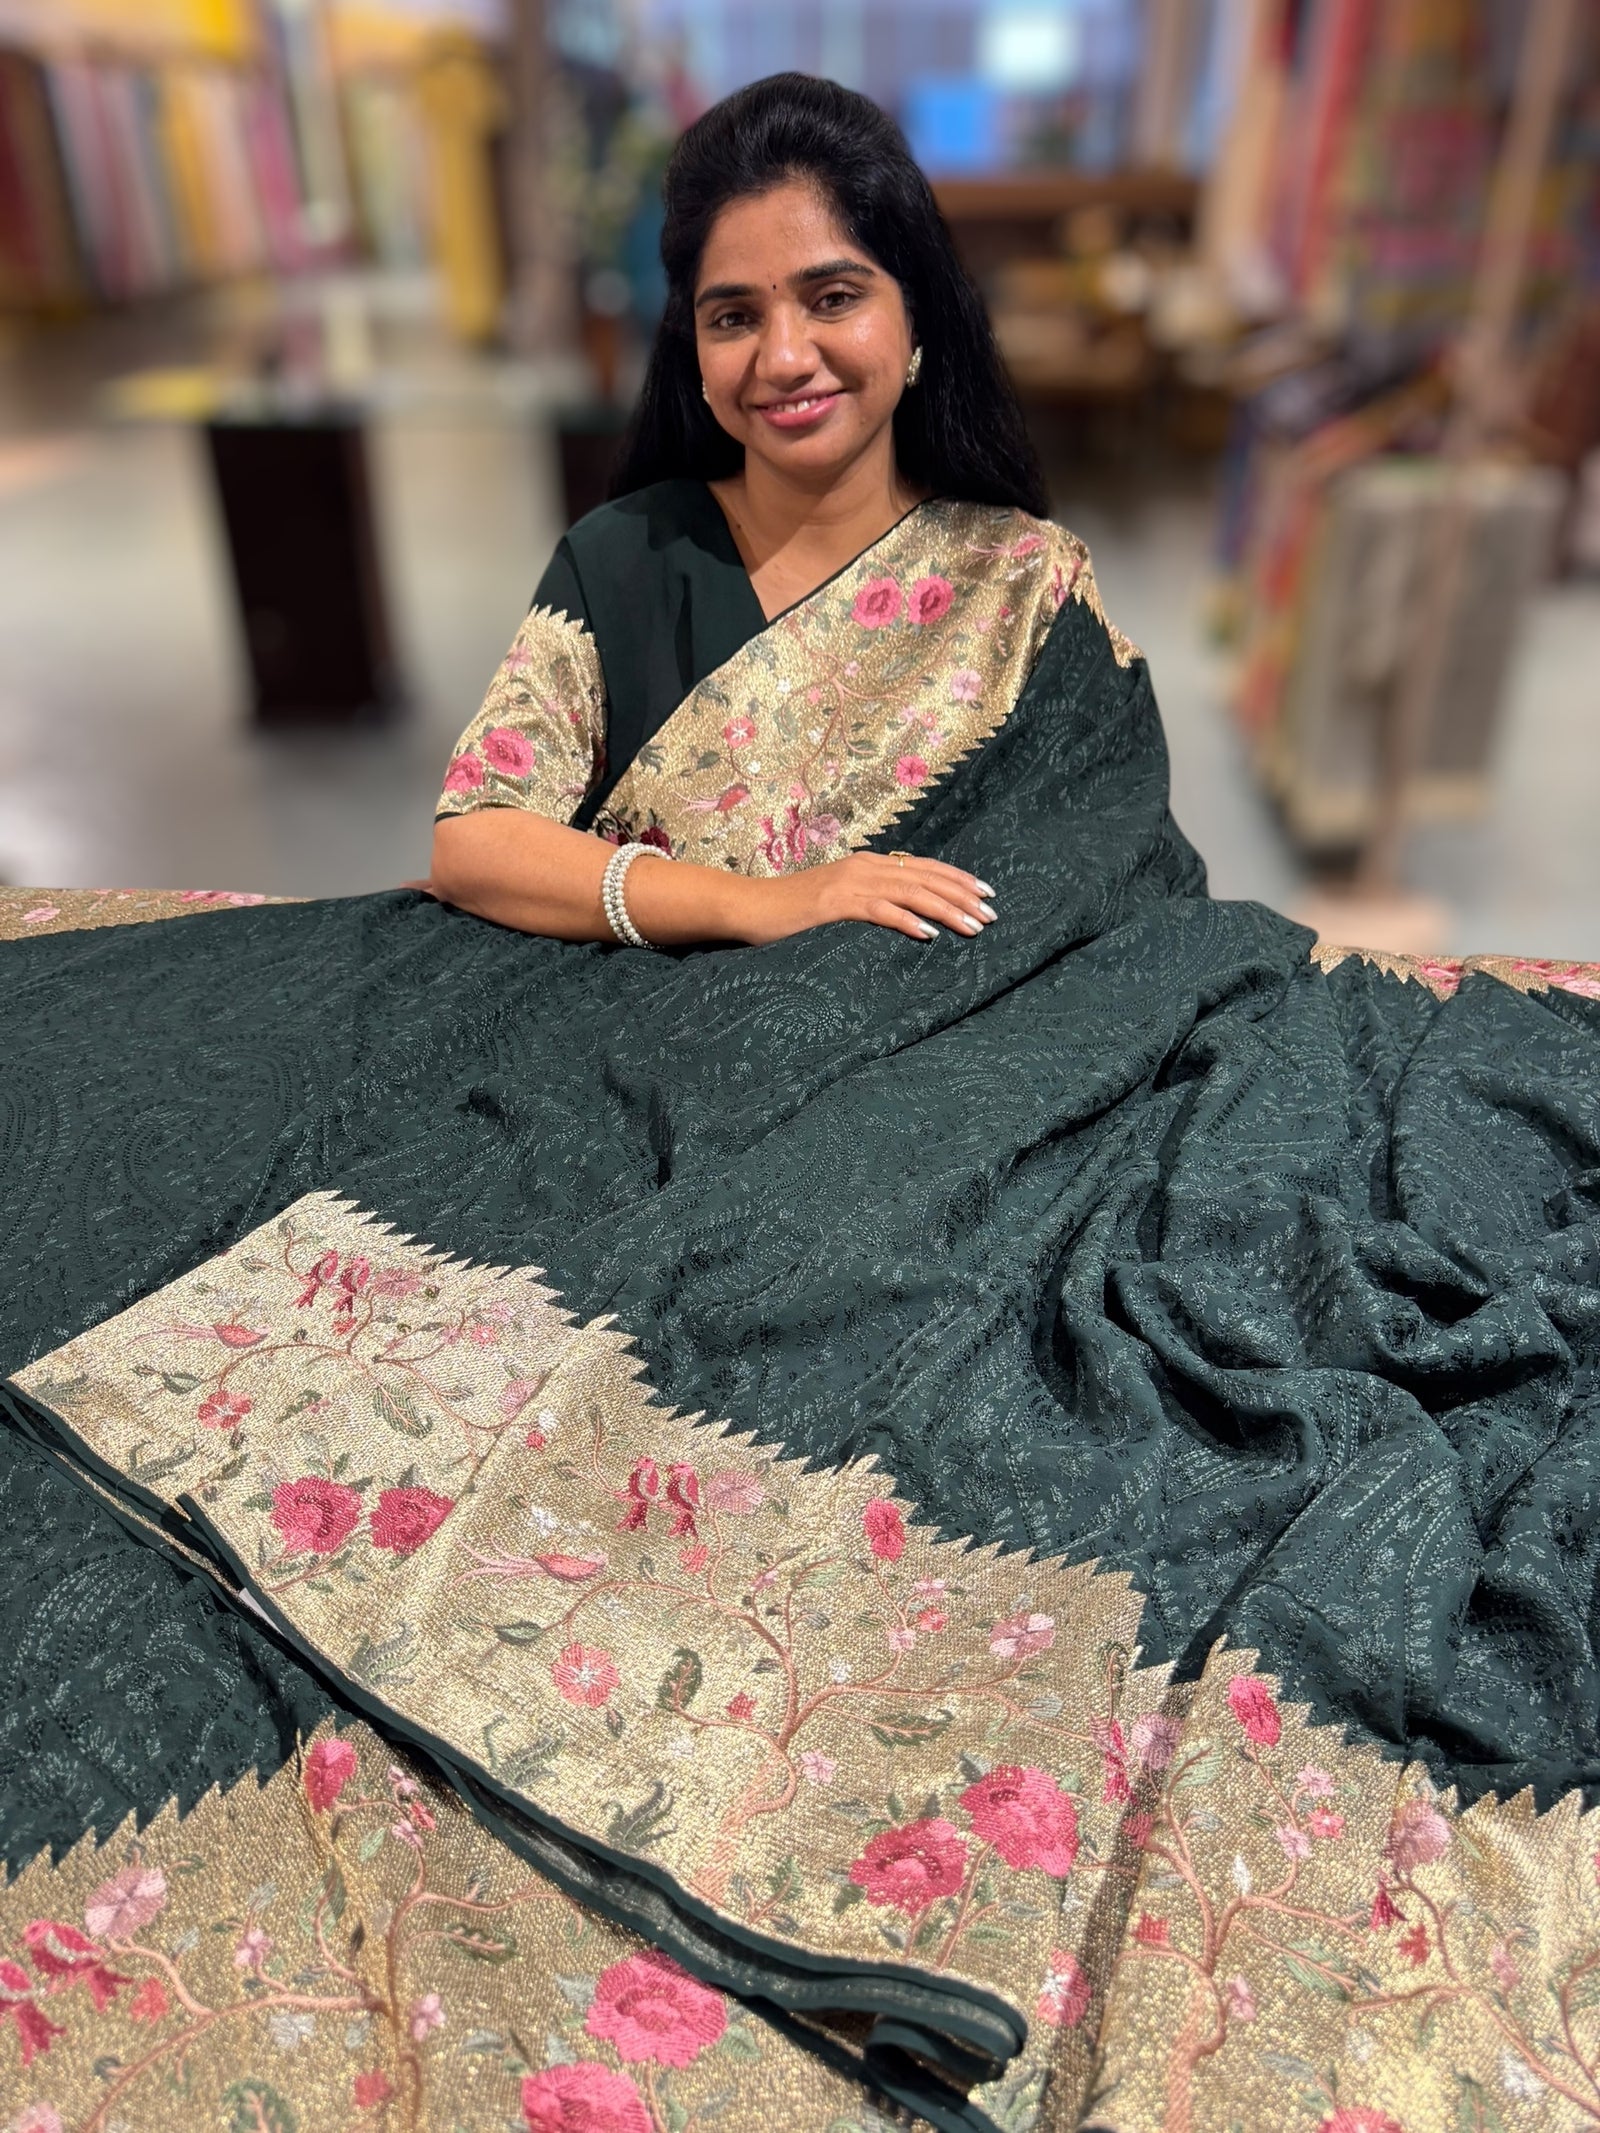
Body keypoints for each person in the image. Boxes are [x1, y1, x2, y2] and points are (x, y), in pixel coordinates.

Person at [4, 73, 1600, 2133]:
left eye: (826, 295)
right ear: (687, 346)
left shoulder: (1017, 583)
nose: (783, 355)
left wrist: (880, 985)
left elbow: (1104, 883)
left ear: (913, 310)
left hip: (917, 1056)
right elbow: (478, 842)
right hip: (624, 1001)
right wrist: (759, 906)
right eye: (728, 313)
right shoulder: (627, 552)